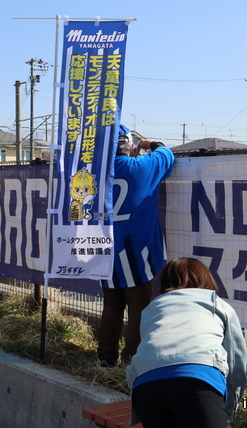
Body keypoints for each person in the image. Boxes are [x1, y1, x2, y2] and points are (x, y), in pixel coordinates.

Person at [127, 257, 247, 428]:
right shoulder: (219, 305)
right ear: (206, 278)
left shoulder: (151, 309)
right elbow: (237, 364)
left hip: (147, 385)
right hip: (199, 381)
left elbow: (147, 350)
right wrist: (228, 412)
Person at [98, 125, 175, 366]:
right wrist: (149, 144)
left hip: (104, 249)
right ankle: (131, 362)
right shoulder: (142, 166)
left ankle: (105, 359)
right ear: (128, 144)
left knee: (111, 306)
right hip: (136, 249)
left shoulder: (94, 172)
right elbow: (167, 155)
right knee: (139, 307)